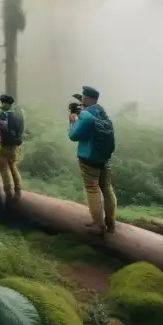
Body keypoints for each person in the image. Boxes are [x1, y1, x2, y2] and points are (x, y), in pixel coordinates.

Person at [68, 85, 117, 236]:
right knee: (107, 189)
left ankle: (98, 224)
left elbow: (73, 136)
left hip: (88, 159)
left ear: (87, 99)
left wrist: (74, 119)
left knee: (92, 188)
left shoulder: (85, 116)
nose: (82, 100)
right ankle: (110, 222)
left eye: (83, 98)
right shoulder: (102, 113)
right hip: (104, 158)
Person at [0, 94, 25, 201]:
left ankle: (8, 194)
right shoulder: (18, 114)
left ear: (4, 103)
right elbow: (21, 129)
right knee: (13, 167)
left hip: (4, 145)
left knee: (4, 169)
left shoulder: (3, 115)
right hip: (14, 145)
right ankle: (18, 191)